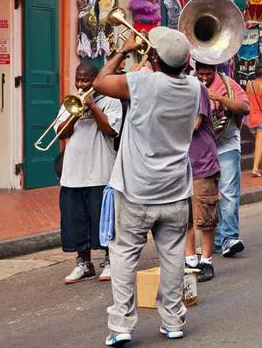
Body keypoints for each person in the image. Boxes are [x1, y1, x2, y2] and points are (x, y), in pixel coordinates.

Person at [94, 27, 200, 346]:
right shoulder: (195, 87)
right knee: (172, 258)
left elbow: (100, 83)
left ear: (153, 57)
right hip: (176, 190)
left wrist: (125, 51)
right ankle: (173, 322)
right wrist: (151, 58)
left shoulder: (144, 82)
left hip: (137, 190)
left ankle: (122, 326)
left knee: (125, 256)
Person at [58, 62, 122, 285]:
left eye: (85, 80)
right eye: (78, 79)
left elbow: (111, 130)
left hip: (100, 172)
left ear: (96, 80)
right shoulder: (71, 101)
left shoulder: (111, 100)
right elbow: (61, 134)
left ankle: (109, 261)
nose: (80, 84)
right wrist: (75, 112)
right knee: (75, 221)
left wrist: (93, 107)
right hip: (73, 173)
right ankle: (83, 263)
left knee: (103, 221)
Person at [195, 61, 250, 257]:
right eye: (200, 74)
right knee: (207, 195)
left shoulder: (228, 85)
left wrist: (219, 98)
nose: (203, 78)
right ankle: (216, 240)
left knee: (228, 192)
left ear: (215, 71)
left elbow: (244, 108)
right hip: (202, 148)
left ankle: (229, 238)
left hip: (226, 143)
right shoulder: (192, 85)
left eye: (208, 74)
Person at [184, 77, 220, 283]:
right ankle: (190, 259)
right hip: (177, 165)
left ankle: (206, 260)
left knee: (205, 217)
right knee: (184, 217)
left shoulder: (195, 87)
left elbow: (195, 124)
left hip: (201, 161)